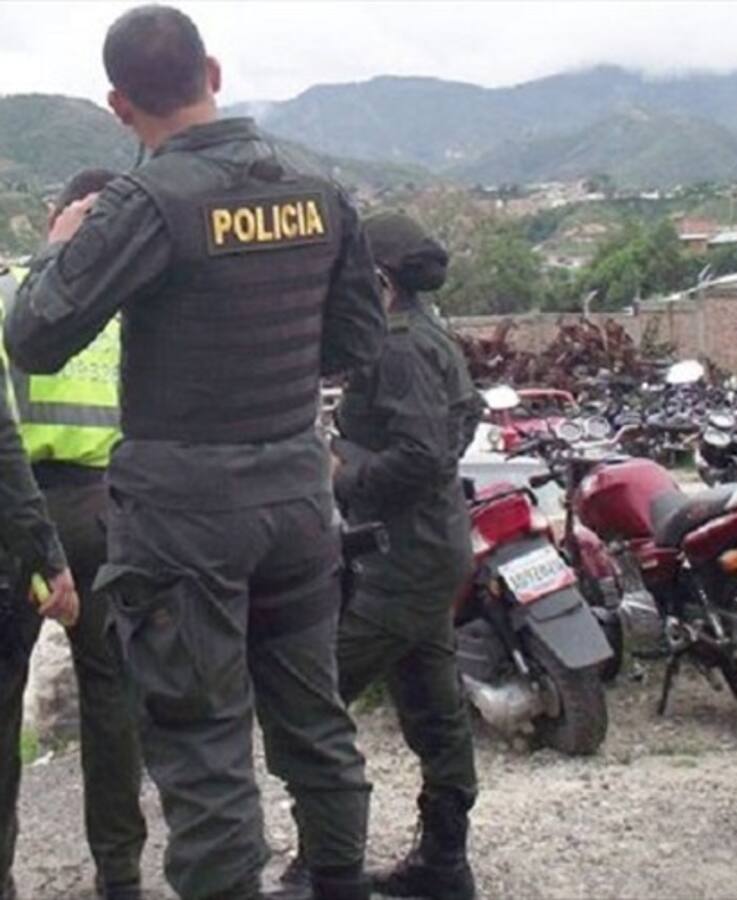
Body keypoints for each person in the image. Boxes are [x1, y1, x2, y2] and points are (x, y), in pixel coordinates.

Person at [4, 6, 386, 899]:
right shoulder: (317, 187)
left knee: (204, 745)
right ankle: (338, 882)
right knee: (315, 725)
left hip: (183, 519)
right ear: (212, 72)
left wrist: (57, 250)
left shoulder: (150, 202)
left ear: (117, 104)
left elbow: (34, 335)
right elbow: (357, 340)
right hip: (295, 498)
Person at [284, 211, 481, 900]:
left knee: (312, 703)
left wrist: (342, 468)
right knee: (433, 704)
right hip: (429, 549)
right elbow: (466, 417)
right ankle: (444, 864)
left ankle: (322, 866)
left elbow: (422, 455)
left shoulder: (397, 347)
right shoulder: (430, 336)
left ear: (377, 280)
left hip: (402, 561)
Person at [0, 170, 146, 900]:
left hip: (14, 510)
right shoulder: (122, 308)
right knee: (112, 694)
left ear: (54, 220)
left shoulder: (10, 293)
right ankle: (119, 874)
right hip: (104, 509)